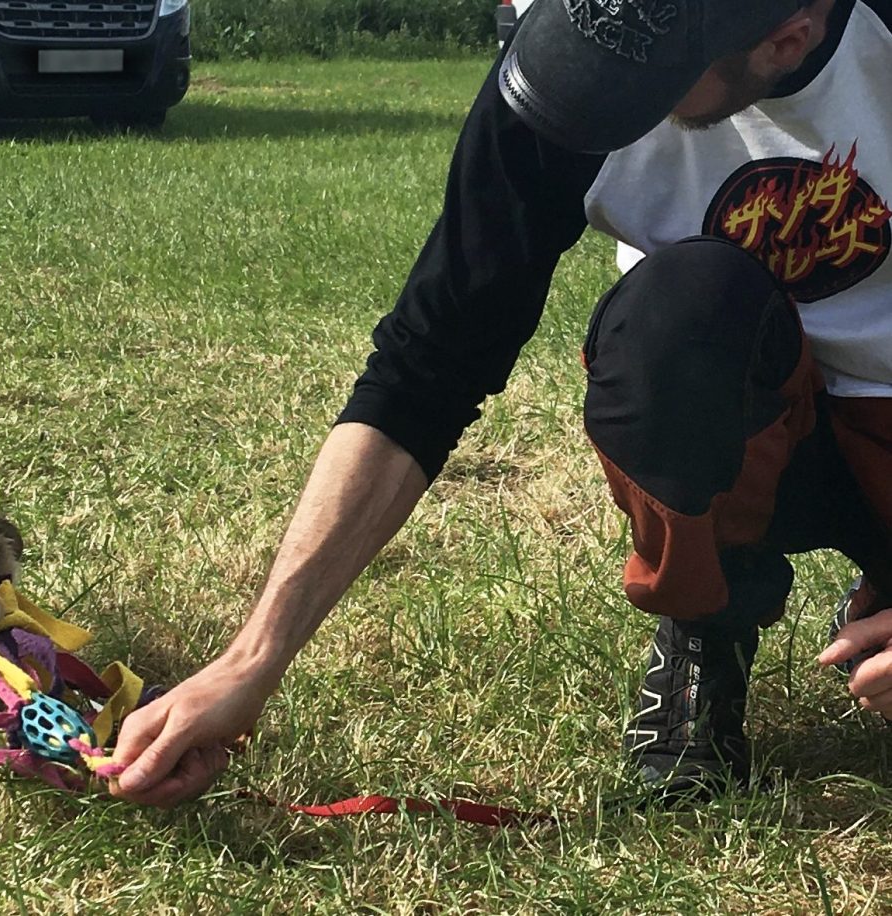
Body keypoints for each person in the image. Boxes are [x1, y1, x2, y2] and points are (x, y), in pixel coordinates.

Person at [110, 0, 892, 807]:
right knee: (679, 314)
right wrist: (251, 662)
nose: (596, 100)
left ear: (785, 41)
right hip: (746, 413)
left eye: (645, 87)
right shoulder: (585, 58)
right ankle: (706, 628)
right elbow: (429, 365)